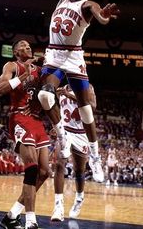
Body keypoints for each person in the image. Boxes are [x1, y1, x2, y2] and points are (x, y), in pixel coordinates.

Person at [38, 0, 120, 182]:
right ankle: (62, 136)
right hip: (54, 55)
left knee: (86, 110)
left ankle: (95, 156)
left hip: (73, 57)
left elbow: (100, 15)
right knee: (44, 96)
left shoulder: (86, 5)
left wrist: (103, 16)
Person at [0, 40, 50, 229]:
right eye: (23, 46)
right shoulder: (12, 66)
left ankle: (11, 216)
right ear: (16, 51)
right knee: (32, 168)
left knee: (44, 172)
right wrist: (24, 74)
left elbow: (47, 91)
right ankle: (31, 221)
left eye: (29, 46)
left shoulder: (40, 69)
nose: (28, 47)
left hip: (36, 120)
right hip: (19, 117)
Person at [51, 83, 97, 222]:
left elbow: (93, 106)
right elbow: (58, 110)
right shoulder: (60, 88)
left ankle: (79, 197)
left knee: (79, 171)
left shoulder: (87, 87)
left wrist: (69, 95)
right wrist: (57, 126)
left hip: (81, 133)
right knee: (59, 165)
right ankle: (58, 206)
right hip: (65, 131)